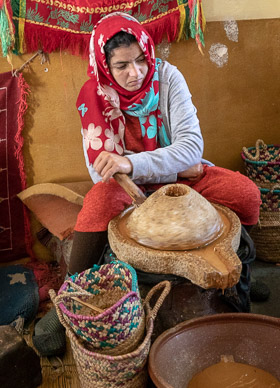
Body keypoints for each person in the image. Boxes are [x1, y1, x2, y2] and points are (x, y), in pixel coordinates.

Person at [33, 12, 261, 357]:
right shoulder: (93, 96)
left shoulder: (169, 79)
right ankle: (67, 298)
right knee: (95, 205)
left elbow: (192, 148)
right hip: (133, 190)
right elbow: (103, 174)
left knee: (245, 193)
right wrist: (175, 167)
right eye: (122, 65)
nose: (135, 72)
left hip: (172, 181)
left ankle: (241, 275)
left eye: (141, 60)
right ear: (105, 64)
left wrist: (134, 163)